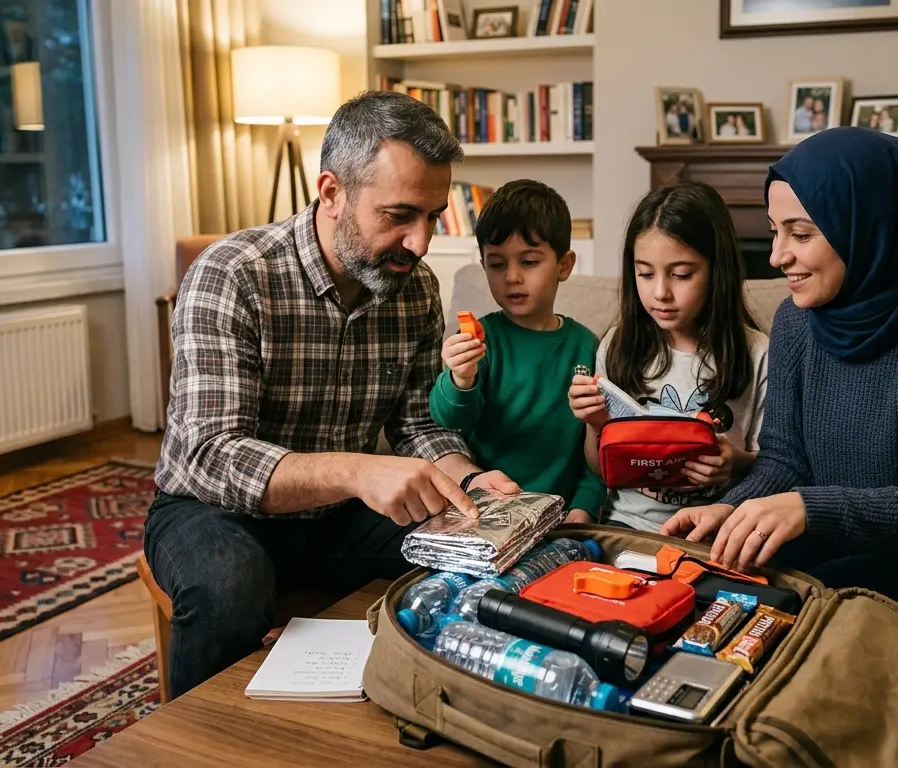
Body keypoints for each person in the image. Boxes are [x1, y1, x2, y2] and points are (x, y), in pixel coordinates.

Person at [147, 91, 518, 699]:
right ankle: (202, 744)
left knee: (474, 558)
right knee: (228, 586)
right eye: (399, 216)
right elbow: (209, 455)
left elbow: (421, 427)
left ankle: (414, 712)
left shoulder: (414, 288)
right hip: (213, 510)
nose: (421, 243)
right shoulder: (232, 274)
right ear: (332, 193)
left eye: (433, 216)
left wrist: (470, 484)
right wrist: (359, 472)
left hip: (337, 519)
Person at [662, 128, 898, 641]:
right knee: (707, 588)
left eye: (800, 234)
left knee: (808, 620)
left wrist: (805, 508)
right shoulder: (796, 321)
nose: (776, 256)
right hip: (845, 538)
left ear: (867, 226)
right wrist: (730, 509)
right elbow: (785, 462)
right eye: (774, 231)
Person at [568, 182, 769, 533]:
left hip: (713, 532)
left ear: (716, 270)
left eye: (681, 275)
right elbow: (601, 470)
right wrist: (595, 423)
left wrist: (735, 463)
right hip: (624, 526)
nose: (660, 292)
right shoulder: (618, 344)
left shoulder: (758, 353)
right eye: (645, 273)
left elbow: (778, 468)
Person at [430, 180, 605, 524]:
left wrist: (583, 509)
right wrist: (460, 378)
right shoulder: (482, 339)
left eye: (528, 262)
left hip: (562, 516)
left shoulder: (587, 346)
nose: (512, 277)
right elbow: (448, 422)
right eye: (496, 265)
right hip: (485, 509)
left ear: (564, 265)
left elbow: (598, 448)